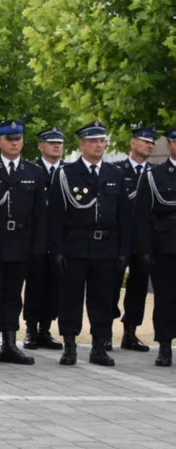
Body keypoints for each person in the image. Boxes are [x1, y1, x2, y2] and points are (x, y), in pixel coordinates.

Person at [49, 120, 132, 366]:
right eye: (93, 141)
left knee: (103, 300)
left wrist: (124, 250)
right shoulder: (66, 174)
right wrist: (57, 248)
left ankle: (99, 346)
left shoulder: (114, 174)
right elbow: (55, 216)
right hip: (75, 245)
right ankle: (70, 345)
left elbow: (124, 217)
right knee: (70, 298)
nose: (99, 145)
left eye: (102, 141)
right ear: (82, 144)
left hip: (106, 247)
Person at [0, 120, 47, 366]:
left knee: (13, 296)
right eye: (9, 139)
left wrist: (38, 247)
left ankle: (9, 343)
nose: (15, 142)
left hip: (20, 243)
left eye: (18, 138)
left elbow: (39, 215)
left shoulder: (33, 172)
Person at [113, 125, 156, 352]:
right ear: (132, 143)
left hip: (142, 238)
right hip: (118, 237)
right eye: (145, 141)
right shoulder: (116, 170)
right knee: (110, 284)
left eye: (152, 142)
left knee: (138, 286)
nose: (150, 145)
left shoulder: (155, 173)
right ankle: (102, 331)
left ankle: (130, 331)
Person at [136, 127, 176, 367]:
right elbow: (142, 215)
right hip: (166, 246)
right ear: (170, 144)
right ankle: (164, 345)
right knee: (165, 298)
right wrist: (145, 249)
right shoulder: (155, 175)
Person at [23, 126, 66, 350]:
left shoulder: (68, 171)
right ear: (40, 146)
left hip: (60, 237)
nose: (56, 145)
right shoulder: (32, 170)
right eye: (51, 142)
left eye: (59, 142)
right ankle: (31, 329)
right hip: (36, 237)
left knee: (54, 286)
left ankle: (46, 329)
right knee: (35, 284)